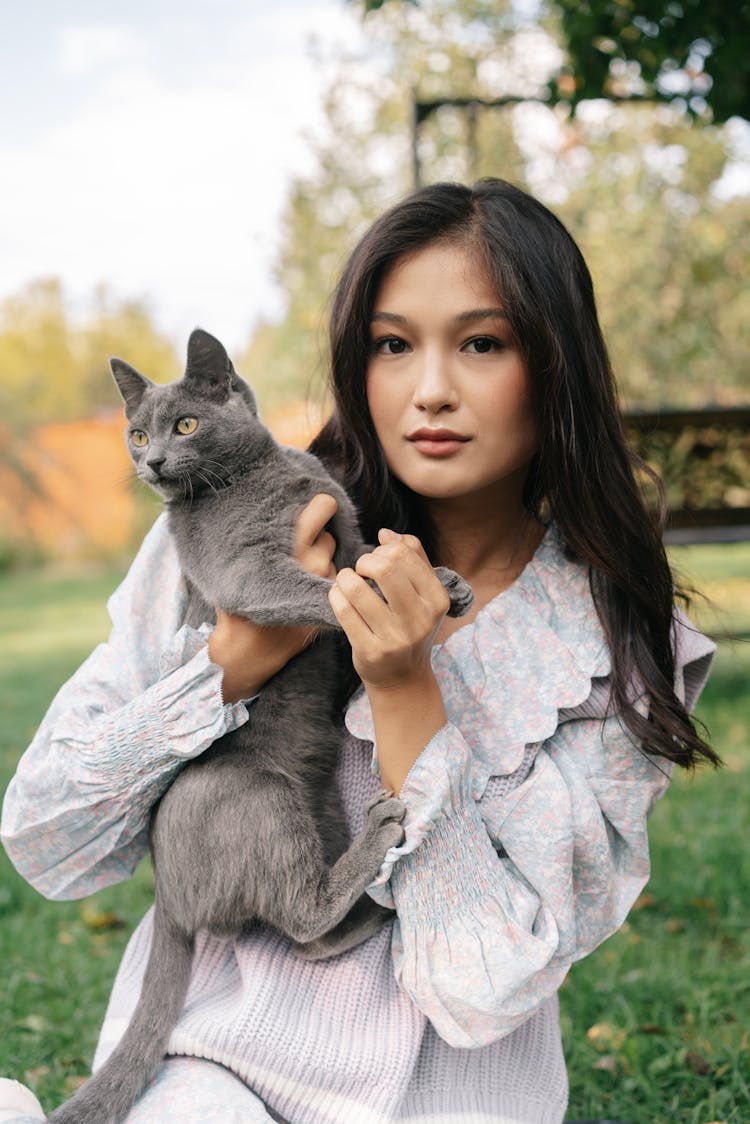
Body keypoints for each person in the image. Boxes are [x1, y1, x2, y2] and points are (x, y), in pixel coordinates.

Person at [0, 178, 719, 1124]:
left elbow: (481, 988)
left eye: (481, 343)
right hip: (218, 1062)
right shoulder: (222, 525)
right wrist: (233, 661)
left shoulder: (608, 641)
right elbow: (47, 841)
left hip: (460, 1098)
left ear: (554, 366)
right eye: (392, 344)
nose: (429, 389)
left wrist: (408, 692)